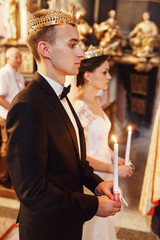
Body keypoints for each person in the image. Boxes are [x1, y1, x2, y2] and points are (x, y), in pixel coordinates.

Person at [6, 6, 121, 240]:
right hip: (46, 228)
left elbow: (72, 158)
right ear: (45, 49)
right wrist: (93, 205)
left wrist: (96, 183)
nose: (81, 52)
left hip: (67, 220)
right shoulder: (27, 105)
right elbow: (33, 192)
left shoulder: (62, 95)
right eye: (72, 45)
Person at [73, 45, 134, 240]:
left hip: (104, 169)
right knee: (91, 229)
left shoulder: (96, 101)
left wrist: (116, 157)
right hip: (90, 176)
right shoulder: (80, 106)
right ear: (88, 76)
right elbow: (81, 155)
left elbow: (98, 142)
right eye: (105, 72)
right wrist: (112, 168)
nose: (109, 77)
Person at [0, 47, 25, 188]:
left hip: (17, 115)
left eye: (20, 57)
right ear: (8, 57)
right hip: (6, 115)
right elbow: (0, 98)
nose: (19, 60)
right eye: (16, 57)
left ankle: (13, 176)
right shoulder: (3, 73)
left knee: (15, 146)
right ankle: (3, 178)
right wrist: (15, 110)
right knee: (7, 145)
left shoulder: (19, 75)